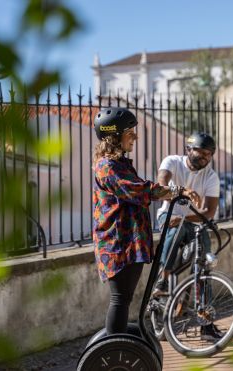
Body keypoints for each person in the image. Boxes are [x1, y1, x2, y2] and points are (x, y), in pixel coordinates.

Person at [92, 107, 200, 335]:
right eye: (130, 133)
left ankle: (118, 346)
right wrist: (176, 191)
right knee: (120, 299)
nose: (135, 137)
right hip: (118, 245)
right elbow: (138, 191)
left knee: (125, 299)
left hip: (128, 243)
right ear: (113, 136)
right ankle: (114, 351)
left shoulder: (120, 164)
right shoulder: (107, 167)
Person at [152, 132, 222, 340]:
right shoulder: (172, 162)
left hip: (193, 221)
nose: (204, 158)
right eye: (201, 153)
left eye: (209, 155)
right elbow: (161, 188)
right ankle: (163, 281)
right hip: (168, 216)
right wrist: (182, 191)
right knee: (175, 228)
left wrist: (187, 218)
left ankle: (206, 325)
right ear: (189, 150)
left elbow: (208, 212)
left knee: (204, 264)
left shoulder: (211, 176)